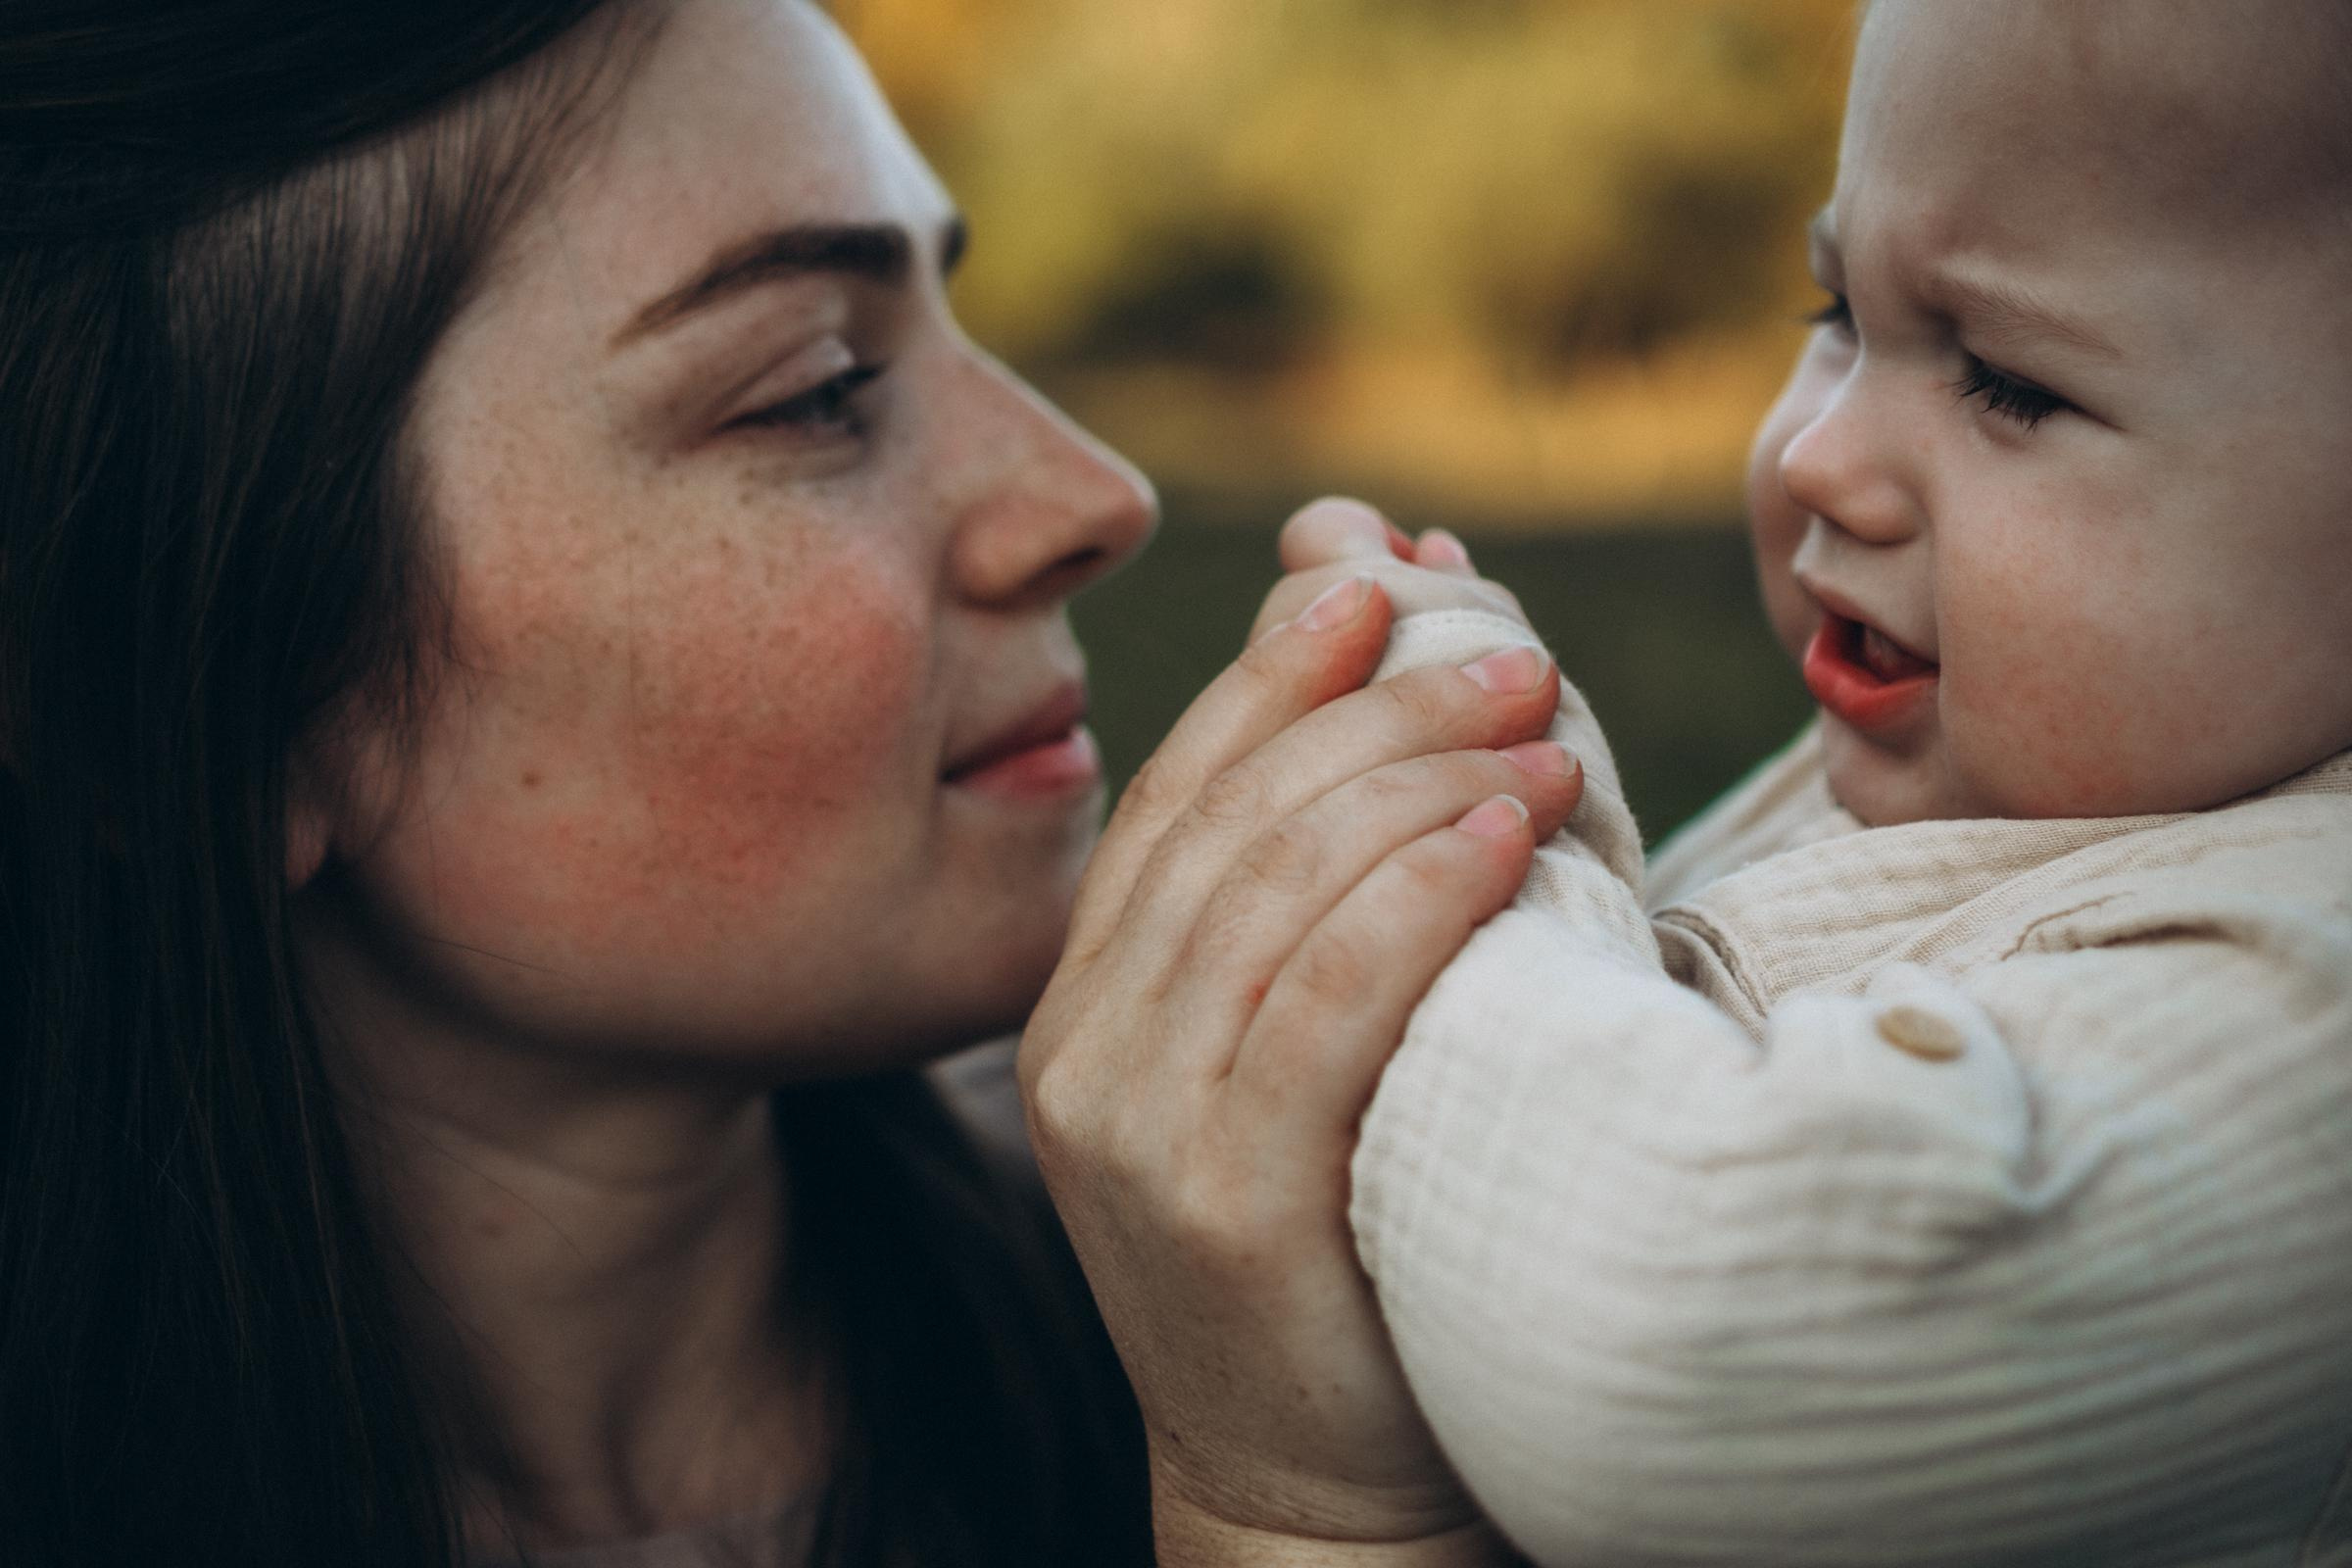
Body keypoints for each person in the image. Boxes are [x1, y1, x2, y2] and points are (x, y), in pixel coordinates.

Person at [0, 3, 1580, 1565]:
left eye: (954, 327)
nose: (1094, 494)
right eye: (818, 386)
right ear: (147, 702)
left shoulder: (1398, 1314)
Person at [1028, 0, 2352, 1563]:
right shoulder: (1997, 778)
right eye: (1839, 312)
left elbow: (1689, 1331)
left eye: (2005, 379)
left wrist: (1488, 823)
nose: (1815, 454)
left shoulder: (2306, 993)